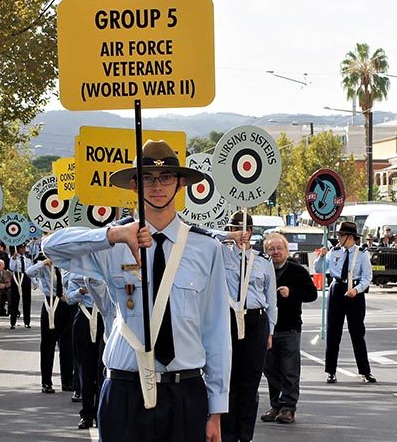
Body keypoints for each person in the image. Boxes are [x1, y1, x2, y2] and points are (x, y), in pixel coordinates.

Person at [43, 139, 231, 442]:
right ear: (134, 185)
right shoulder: (112, 244)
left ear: (180, 183)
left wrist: (217, 410)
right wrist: (113, 234)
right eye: (147, 178)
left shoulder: (206, 248)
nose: (157, 186)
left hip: (184, 392)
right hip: (125, 390)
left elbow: (216, 332)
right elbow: (52, 247)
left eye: (166, 177)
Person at [211, 211, 277, 442]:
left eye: (243, 230)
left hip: (255, 320)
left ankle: (245, 435)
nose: (240, 234)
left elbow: (271, 299)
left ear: (251, 232)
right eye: (234, 229)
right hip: (228, 318)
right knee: (228, 380)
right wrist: (228, 235)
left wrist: (270, 330)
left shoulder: (263, 260)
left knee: (250, 382)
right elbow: (205, 237)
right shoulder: (221, 253)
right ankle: (227, 434)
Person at [260, 233, 317, 424]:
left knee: (289, 370)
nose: (275, 252)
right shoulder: (262, 268)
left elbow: (311, 294)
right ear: (266, 251)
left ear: (286, 250)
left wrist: (291, 293)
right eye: (271, 249)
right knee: (270, 369)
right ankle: (276, 405)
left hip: (289, 327)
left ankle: (288, 408)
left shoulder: (297, 270)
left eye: (279, 248)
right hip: (267, 328)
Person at [315, 221, 376, 384]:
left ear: (350, 237)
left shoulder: (362, 254)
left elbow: (367, 276)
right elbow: (319, 269)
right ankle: (331, 371)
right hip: (337, 289)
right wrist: (321, 257)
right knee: (333, 332)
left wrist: (357, 289)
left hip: (354, 292)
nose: (338, 238)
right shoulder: (334, 251)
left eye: (341, 235)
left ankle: (365, 371)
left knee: (357, 333)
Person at [26, 254, 74, 395]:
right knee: (48, 345)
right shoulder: (45, 266)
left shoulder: (69, 264)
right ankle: (46, 382)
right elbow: (29, 272)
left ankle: (67, 381)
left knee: (67, 345)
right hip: (50, 304)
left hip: (66, 303)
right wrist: (43, 263)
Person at [66, 274, 106, 429]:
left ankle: (101, 412)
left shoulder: (104, 268)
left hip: (103, 317)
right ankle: (87, 414)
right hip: (84, 315)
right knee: (85, 368)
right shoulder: (76, 273)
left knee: (102, 368)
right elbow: (69, 298)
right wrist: (81, 292)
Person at [9, 244, 33, 329]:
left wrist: (34, 282)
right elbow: (12, 268)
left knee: (27, 301)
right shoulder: (14, 258)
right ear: (18, 249)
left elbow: (30, 271)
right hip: (17, 277)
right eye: (22, 248)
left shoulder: (27, 259)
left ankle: (27, 322)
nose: (23, 249)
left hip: (25, 278)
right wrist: (14, 259)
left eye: (24, 248)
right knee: (14, 300)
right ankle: (13, 322)